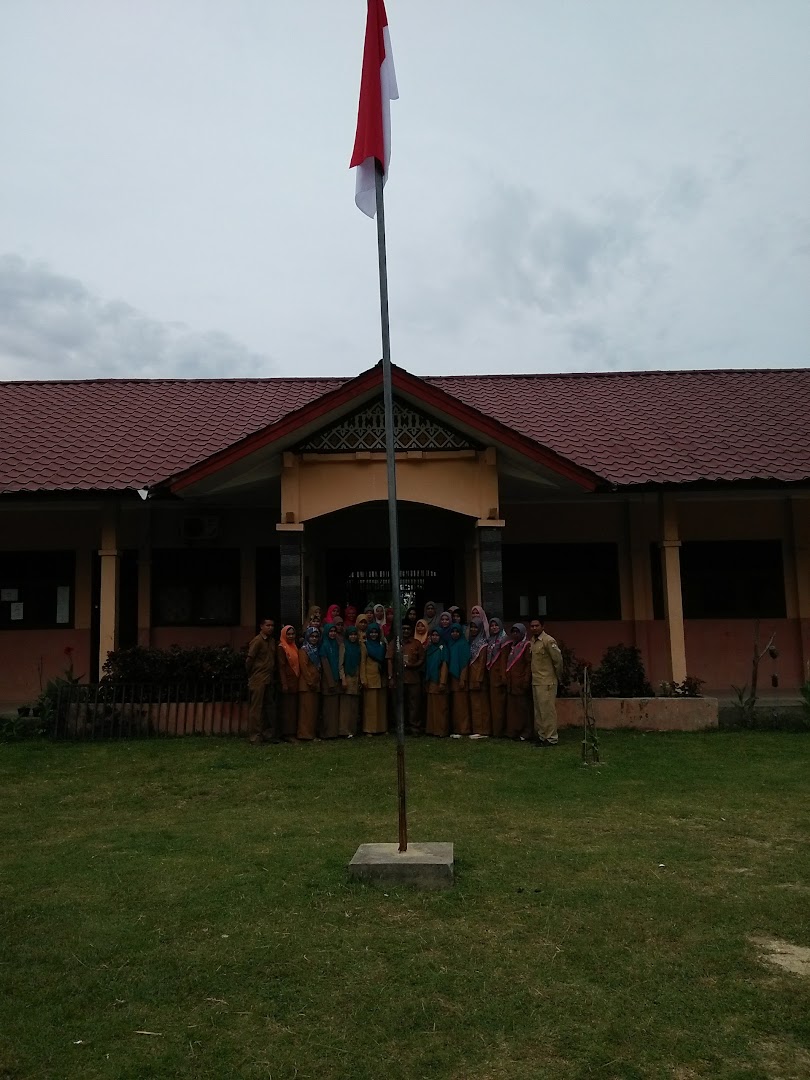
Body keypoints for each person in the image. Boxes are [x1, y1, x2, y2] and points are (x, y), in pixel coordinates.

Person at [529, 617, 564, 746]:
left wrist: (557, 676)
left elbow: (558, 660)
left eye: (536, 626)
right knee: (539, 711)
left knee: (547, 711)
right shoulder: (533, 641)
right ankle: (542, 736)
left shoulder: (548, 641)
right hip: (536, 680)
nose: (534, 628)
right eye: (532, 626)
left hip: (547, 681)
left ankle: (551, 738)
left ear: (542, 626)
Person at [246, 617, 277, 743]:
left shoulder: (272, 641)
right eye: (268, 625)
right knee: (256, 709)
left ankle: (267, 734)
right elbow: (249, 660)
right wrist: (251, 675)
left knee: (268, 707)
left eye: (272, 625)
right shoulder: (257, 641)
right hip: (258, 678)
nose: (270, 628)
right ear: (261, 627)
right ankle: (255, 736)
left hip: (268, 678)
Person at [505, 623, 532, 740]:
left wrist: (526, 680)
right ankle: (514, 731)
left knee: (523, 709)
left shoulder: (526, 645)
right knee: (513, 709)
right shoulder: (511, 646)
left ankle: (526, 732)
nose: (515, 634)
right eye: (513, 632)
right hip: (512, 683)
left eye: (518, 632)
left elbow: (528, 664)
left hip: (521, 682)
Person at [360, 622, 389, 734]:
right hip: (370, 677)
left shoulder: (382, 645)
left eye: (375, 632)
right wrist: (363, 679)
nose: (373, 634)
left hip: (381, 677)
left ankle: (382, 728)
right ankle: (369, 729)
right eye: (371, 632)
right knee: (370, 706)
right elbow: (362, 663)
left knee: (381, 705)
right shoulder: (364, 645)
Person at [467, 617, 491, 738]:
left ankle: (483, 730)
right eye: (471, 627)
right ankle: (477, 728)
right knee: (475, 703)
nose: (473, 629)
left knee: (481, 704)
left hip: (478, 678)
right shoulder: (471, 641)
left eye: (476, 627)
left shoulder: (482, 644)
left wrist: (478, 679)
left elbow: (482, 664)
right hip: (472, 676)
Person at [400, 621, 425, 736]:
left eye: (408, 629)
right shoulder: (396, 643)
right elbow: (389, 659)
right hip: (400, 679)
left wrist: (414, 665)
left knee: (414, 705)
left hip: (414, 679)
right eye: (403, 629)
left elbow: (422, 659)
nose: (405, 631)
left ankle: (415, 728)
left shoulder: (417, 643)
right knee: (401, 704)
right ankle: (402, 728)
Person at [297, 626, 322, 741]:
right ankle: (305, 734)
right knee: (306, 711)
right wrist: (310, 682)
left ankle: (311, 734)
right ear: (307, 636)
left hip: (315, 684)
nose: (314, 638)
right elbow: (304, 668)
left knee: (312, 711)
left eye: (316, 636)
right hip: (307, 685)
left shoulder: (317, 649)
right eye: (312, 636)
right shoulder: (304, 650)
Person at [276, 624, 300, 742]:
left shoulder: (294, 646)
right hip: (287, 682)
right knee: (287, 709)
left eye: (292, 634)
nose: (291, 636)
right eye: (288, 634)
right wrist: (284, 683)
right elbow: (281, 666)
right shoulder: (282, 647)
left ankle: (292, 732)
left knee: (293, 708)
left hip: (295, 681)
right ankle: (287, 734)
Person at [424, 629, 449, 736]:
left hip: (438, 681)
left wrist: (442, 682)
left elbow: (444, 665)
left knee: (440, 708)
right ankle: (432, 729)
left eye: (437, 635)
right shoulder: (429, 649)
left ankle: (441, 730)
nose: (434, 637)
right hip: (430, 681)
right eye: (432, 635)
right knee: (432, 708)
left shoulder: (443, 649)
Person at [486, 617, 509, 738]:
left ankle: (501, 731)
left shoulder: (504, 640)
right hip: (491, 675)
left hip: (500, 675)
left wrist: (503, 675)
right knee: (494, 705)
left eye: (496, 625)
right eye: (492, 625)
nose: (494, 627)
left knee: (500, 705)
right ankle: (495, 730)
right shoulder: (490, 640)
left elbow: (504, 659)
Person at [447, 623, 471, 737]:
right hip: (452, 678)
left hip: (461, 679)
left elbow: (465, 664)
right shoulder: (451, 644)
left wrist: (462, 679)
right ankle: (456, 728)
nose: (454, 634)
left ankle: (463, 729)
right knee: (456, 705)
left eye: (457, 631)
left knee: (462, 705)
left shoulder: (463, 644)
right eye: (452, 631)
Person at [338, 625, 362, 737]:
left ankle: (352, 730)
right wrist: (343, 679)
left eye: (355, 634)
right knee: (345, 707)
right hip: (347, 677)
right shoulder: (344, 646)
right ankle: (344, 730)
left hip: (356, 678)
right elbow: (341, 665)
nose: (353, 637)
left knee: (354, 706)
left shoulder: (359, 647)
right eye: (351, 635)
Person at [319, 623, 342, 739]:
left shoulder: (337, 644)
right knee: (328, 709)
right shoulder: (324, 646)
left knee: (335, 708)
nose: (333, 633)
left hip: (337, 679)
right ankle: (327, 733)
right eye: (330, 631)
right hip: (328, 682)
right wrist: (331, 682)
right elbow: (325, 665)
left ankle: (334, 732)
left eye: (334, 631)